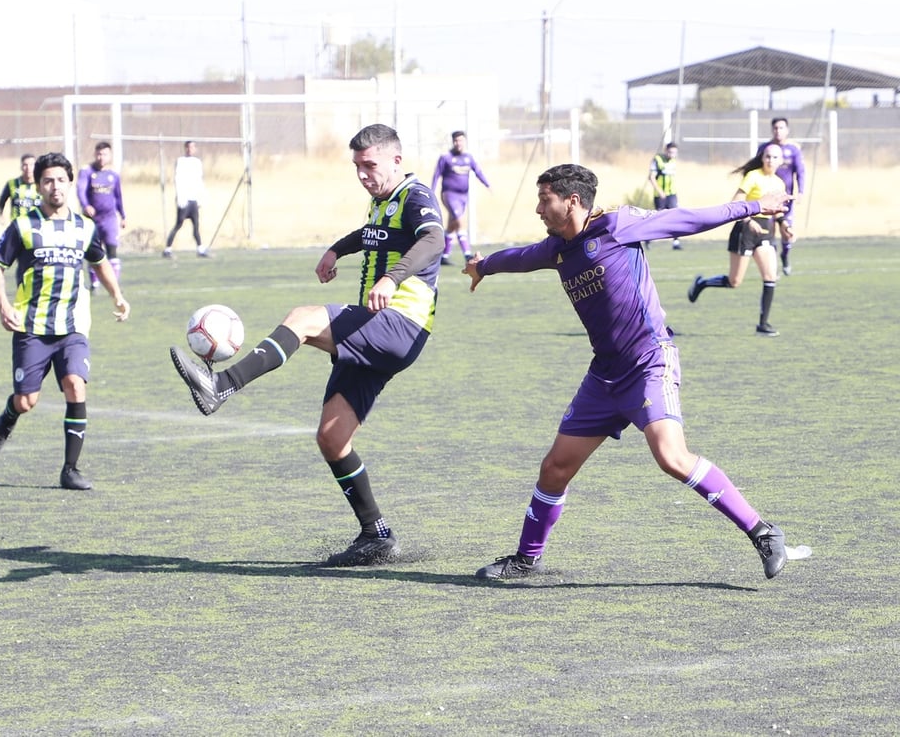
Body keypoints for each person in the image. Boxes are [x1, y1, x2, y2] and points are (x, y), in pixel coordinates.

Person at [462, 163, 791, 581]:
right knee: (555, 468)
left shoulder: (618, 226)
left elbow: (687, 219)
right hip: (604, 376)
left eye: (545, 200)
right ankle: (527, 558)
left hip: (649, 361)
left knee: (671, 457)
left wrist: (755, 206)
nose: (538, 210)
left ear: (572, 201)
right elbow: (522, 257)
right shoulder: (556, 247)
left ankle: (763, 532)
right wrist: (484, 266)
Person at [168, 124, 444, 566]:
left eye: (369, 165)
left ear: (396, 159)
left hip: (400, 324)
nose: (362, 174)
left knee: (304, 318)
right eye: (356, 166)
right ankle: (377, 534)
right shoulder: (381, 203)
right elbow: (370, 235)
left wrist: (392, 278)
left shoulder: (416, 196)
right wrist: (337, 249)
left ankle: (221, 386)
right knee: (332, 439)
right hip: (375, 328)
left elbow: (434, 240)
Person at [0, 152, 131, 491]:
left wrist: (117, 295)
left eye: (61, 180)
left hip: (73, 326)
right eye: (48, 181)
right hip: (31, 328)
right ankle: (10, 414)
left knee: (75, 386)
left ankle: (70, 469)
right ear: (38, 186)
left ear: (68, 183)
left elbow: (99, 262)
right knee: (27, 401)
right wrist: (3, 304)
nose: (55, 187)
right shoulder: (23, 226)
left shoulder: (84, 227)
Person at [687, 144, 793, 337]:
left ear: (780, 161)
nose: (770, 160)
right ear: (762, 158)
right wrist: (749, 220)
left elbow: (777, 213)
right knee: (734, 281)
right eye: (767, 156)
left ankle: (763, 324)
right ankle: (702, 283)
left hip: (766, 232)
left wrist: (784, 225)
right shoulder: (753, 176)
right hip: (745, 230)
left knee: (770, 276)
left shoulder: (779, 183)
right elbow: (736, 203)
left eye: (775, 157)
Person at [430, 130, 490, 265]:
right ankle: (468, 254)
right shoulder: (446, 157)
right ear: (453, 142)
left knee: (453, 224)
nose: (458, 143)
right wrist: (432, 191)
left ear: (465, 141)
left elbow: (478, 171)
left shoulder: (469, 157)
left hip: (463, 196)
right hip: (449, 194)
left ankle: (444, 256)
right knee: (460, 221)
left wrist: (487, 184)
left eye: (461, 140)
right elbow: (436, 175)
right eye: (456, 141)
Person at [756, 117, 805, 275]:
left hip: (786, 199)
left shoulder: (793, 150)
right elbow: (755, 169)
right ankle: (773, 266)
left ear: (787, 130)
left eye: (781, 128)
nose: (778, 131)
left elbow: (800, 172)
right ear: (772, 130)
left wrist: (800, 192)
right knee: (770, 232)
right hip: (767, 199)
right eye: (775, 128)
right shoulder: (765, 148)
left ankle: (785, 256)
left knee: (786, 231)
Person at [76, 141, 127, 289]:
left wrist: (123, 215)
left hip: (110, 218)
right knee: (94, 251)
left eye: (104, 154)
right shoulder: (87, 172)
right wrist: (86, 205)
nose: (101, 157)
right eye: (98, 154)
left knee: (112, 250)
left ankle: (113, 284)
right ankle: (95, 282)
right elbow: (81, 190)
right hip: (92, 220)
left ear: (110, 155)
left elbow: (118, 197)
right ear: (94, 154)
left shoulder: (113, 175)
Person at [163, 140, 209, 258]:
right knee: (178, 224)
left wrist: (200, 197)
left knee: (196, 226)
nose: (190, 149)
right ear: (185, 148)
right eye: (188, 147)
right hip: (184, 199)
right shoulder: (181, 161)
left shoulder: (197, 163)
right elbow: (178, 179)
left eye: (193, 147)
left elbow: (199, 180)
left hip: (193, 199)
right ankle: (167, 249)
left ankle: (200, 249)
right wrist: (180, 197)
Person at [648, 141, 682, 250]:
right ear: (666, 150)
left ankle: (676, 242)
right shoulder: (657, 160)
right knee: (658, 219)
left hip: (672, 194)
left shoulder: (673, 161)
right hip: (660, 195)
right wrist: (660, 191)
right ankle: (648, 238)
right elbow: (651, 177)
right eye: (671, 152)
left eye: (674, 153)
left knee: (676, 217)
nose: (672, 155)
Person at [0, 153, 40, 223]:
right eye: (25, 165)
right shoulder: (12, 184)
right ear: (21, 167)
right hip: (17, 224)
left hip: (36, 224)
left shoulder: (41, 184)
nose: (28, 168)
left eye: (32, 165)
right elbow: (2, 200)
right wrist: (1, 214)